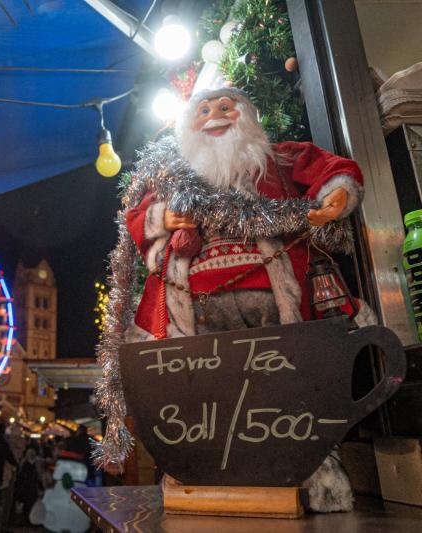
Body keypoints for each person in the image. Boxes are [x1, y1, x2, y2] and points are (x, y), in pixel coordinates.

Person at [122, 87, 365, 511]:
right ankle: (201, 469)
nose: (215, 116)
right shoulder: (174, 177)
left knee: (290, 389)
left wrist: (337, 194)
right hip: (196, 310)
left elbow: (329, 168)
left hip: (276, 299)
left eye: (224, 107)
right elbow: (138, 215)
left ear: (246, 116)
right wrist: (164, 217)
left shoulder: (277, 159)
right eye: (203, 110)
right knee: (203, 394)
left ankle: (311, 469)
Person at [14, 448, 41, 525]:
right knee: (27, 504)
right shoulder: (30, 465)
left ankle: (26, 520)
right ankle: (26, 520)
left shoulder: (27, 464)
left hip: (28, 487)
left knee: (28, 504)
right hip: (28, 488)